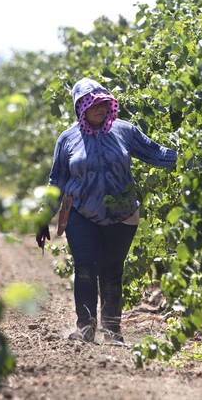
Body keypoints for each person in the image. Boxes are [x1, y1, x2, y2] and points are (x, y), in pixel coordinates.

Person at [38, 77, 177, 343]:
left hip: (122, 214)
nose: (100, 109)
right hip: (81, 213)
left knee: (112, 270)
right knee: (86, 267)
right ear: (81, 108)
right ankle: (85, 327)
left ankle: (112, 330)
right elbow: (56, 181)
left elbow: (155, 153)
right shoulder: (67, 139)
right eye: (93, 105)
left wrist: (192, 158)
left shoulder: (124, 131)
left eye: (104, 104)